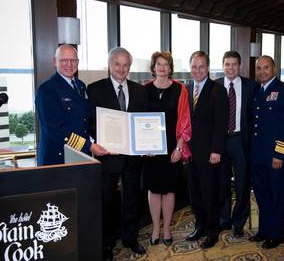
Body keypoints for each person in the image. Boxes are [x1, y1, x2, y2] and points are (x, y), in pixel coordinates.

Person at [87, 47, 148, 259]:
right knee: (107, 201)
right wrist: (95, 143)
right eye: (117, 64)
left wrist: (146, 145)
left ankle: (131, 238)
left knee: (132, 199)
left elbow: (143, 122)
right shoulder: (94, 89)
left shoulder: (140, 90)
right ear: (110, 65)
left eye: (126, 65)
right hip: (108, 155)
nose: (122, 69)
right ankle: (107, 243)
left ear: (129, 67)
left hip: (133, 157)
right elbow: (90, 123)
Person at [249, 55, 284, 249]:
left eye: (266, 67)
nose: (262, 71)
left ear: (274, 69)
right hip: (257, 155)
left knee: (277, 195)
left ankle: (276, 235)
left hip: (276, 157)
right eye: (259, 68)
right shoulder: (256, 91)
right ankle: (264, 230)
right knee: (262, 195)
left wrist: (281, 154)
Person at [143, 51, 191, 246]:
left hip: (172, 148)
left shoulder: (180, 90)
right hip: (150, 150)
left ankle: (168, 229)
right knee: (154, 190)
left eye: (166, 64)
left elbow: (186, 122)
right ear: (153, 67)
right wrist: (143, 146)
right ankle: (155, 228)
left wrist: (179, 149)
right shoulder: (143, 90)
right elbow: (137, 120)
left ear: (170, 68)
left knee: (170, 190)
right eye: (159, 64)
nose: (162, 68)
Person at [35, 44, 108, 166]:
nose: (69, 64)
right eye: (64, 60)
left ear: (78, 62)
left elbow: (85, 120)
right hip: (58, 159)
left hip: (81, 156)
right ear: (55, 62)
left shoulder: (81, 86)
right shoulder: (46, 90)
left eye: (73, 60)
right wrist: (89, 146)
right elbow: (55, 130)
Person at [185, 51, 229, 249]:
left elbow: (222, 123)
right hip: (190, 153)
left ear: (208, 68)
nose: (197, 70)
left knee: (209, 193)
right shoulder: (186, 89)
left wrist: (216, 150)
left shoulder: (218, 90)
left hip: (210, 153)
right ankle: (200, 225)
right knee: (194, 193)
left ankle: (212, 231)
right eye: (194, 66)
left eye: (201, 66)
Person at [215, 51, 255, 237]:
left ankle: (238, 222)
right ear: (222, 65)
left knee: (242, 184)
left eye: (234, 64)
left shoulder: (250, 86)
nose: (230, 68)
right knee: (221, 183)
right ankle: (224, 219)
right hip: (220, 142)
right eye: (227, 64)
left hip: (241, 141)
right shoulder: (214, 86)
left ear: (240, 66)